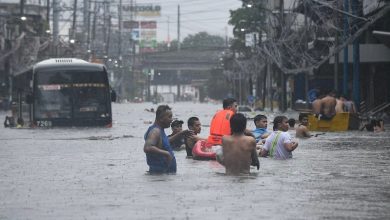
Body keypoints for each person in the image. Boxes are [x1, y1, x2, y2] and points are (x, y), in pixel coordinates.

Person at [143, 105, 189, 173]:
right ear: (161, 118)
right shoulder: (155, 131)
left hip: (164, 176)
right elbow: (147, 147)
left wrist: (180, 134)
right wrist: (166, 153)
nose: (172, 119)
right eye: (169, 117)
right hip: (159, 176)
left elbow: (164, 142)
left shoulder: (159, 130)